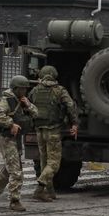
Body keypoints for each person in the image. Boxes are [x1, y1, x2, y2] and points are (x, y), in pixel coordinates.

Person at [0, 75, 38, 212]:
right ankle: (14, 200)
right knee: (16, 171)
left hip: (17, 139)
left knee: (8, 170)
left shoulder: (21, 100)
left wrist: (28, 105)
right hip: (7, 138)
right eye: (22, 89)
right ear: (16, 88)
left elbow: (36, 114)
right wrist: (11, 124)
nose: (24, 91)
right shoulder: (7, 100)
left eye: (26, 89)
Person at [29, 65, 79, 202]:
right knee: (54, 164)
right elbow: (70, 106)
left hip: (39, 131)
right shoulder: (59, 91)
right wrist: (74, 123)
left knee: (44, 162)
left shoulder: (35, 91)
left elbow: (28, 106)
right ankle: (39, 189)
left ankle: (50, 192)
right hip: (53, 131)